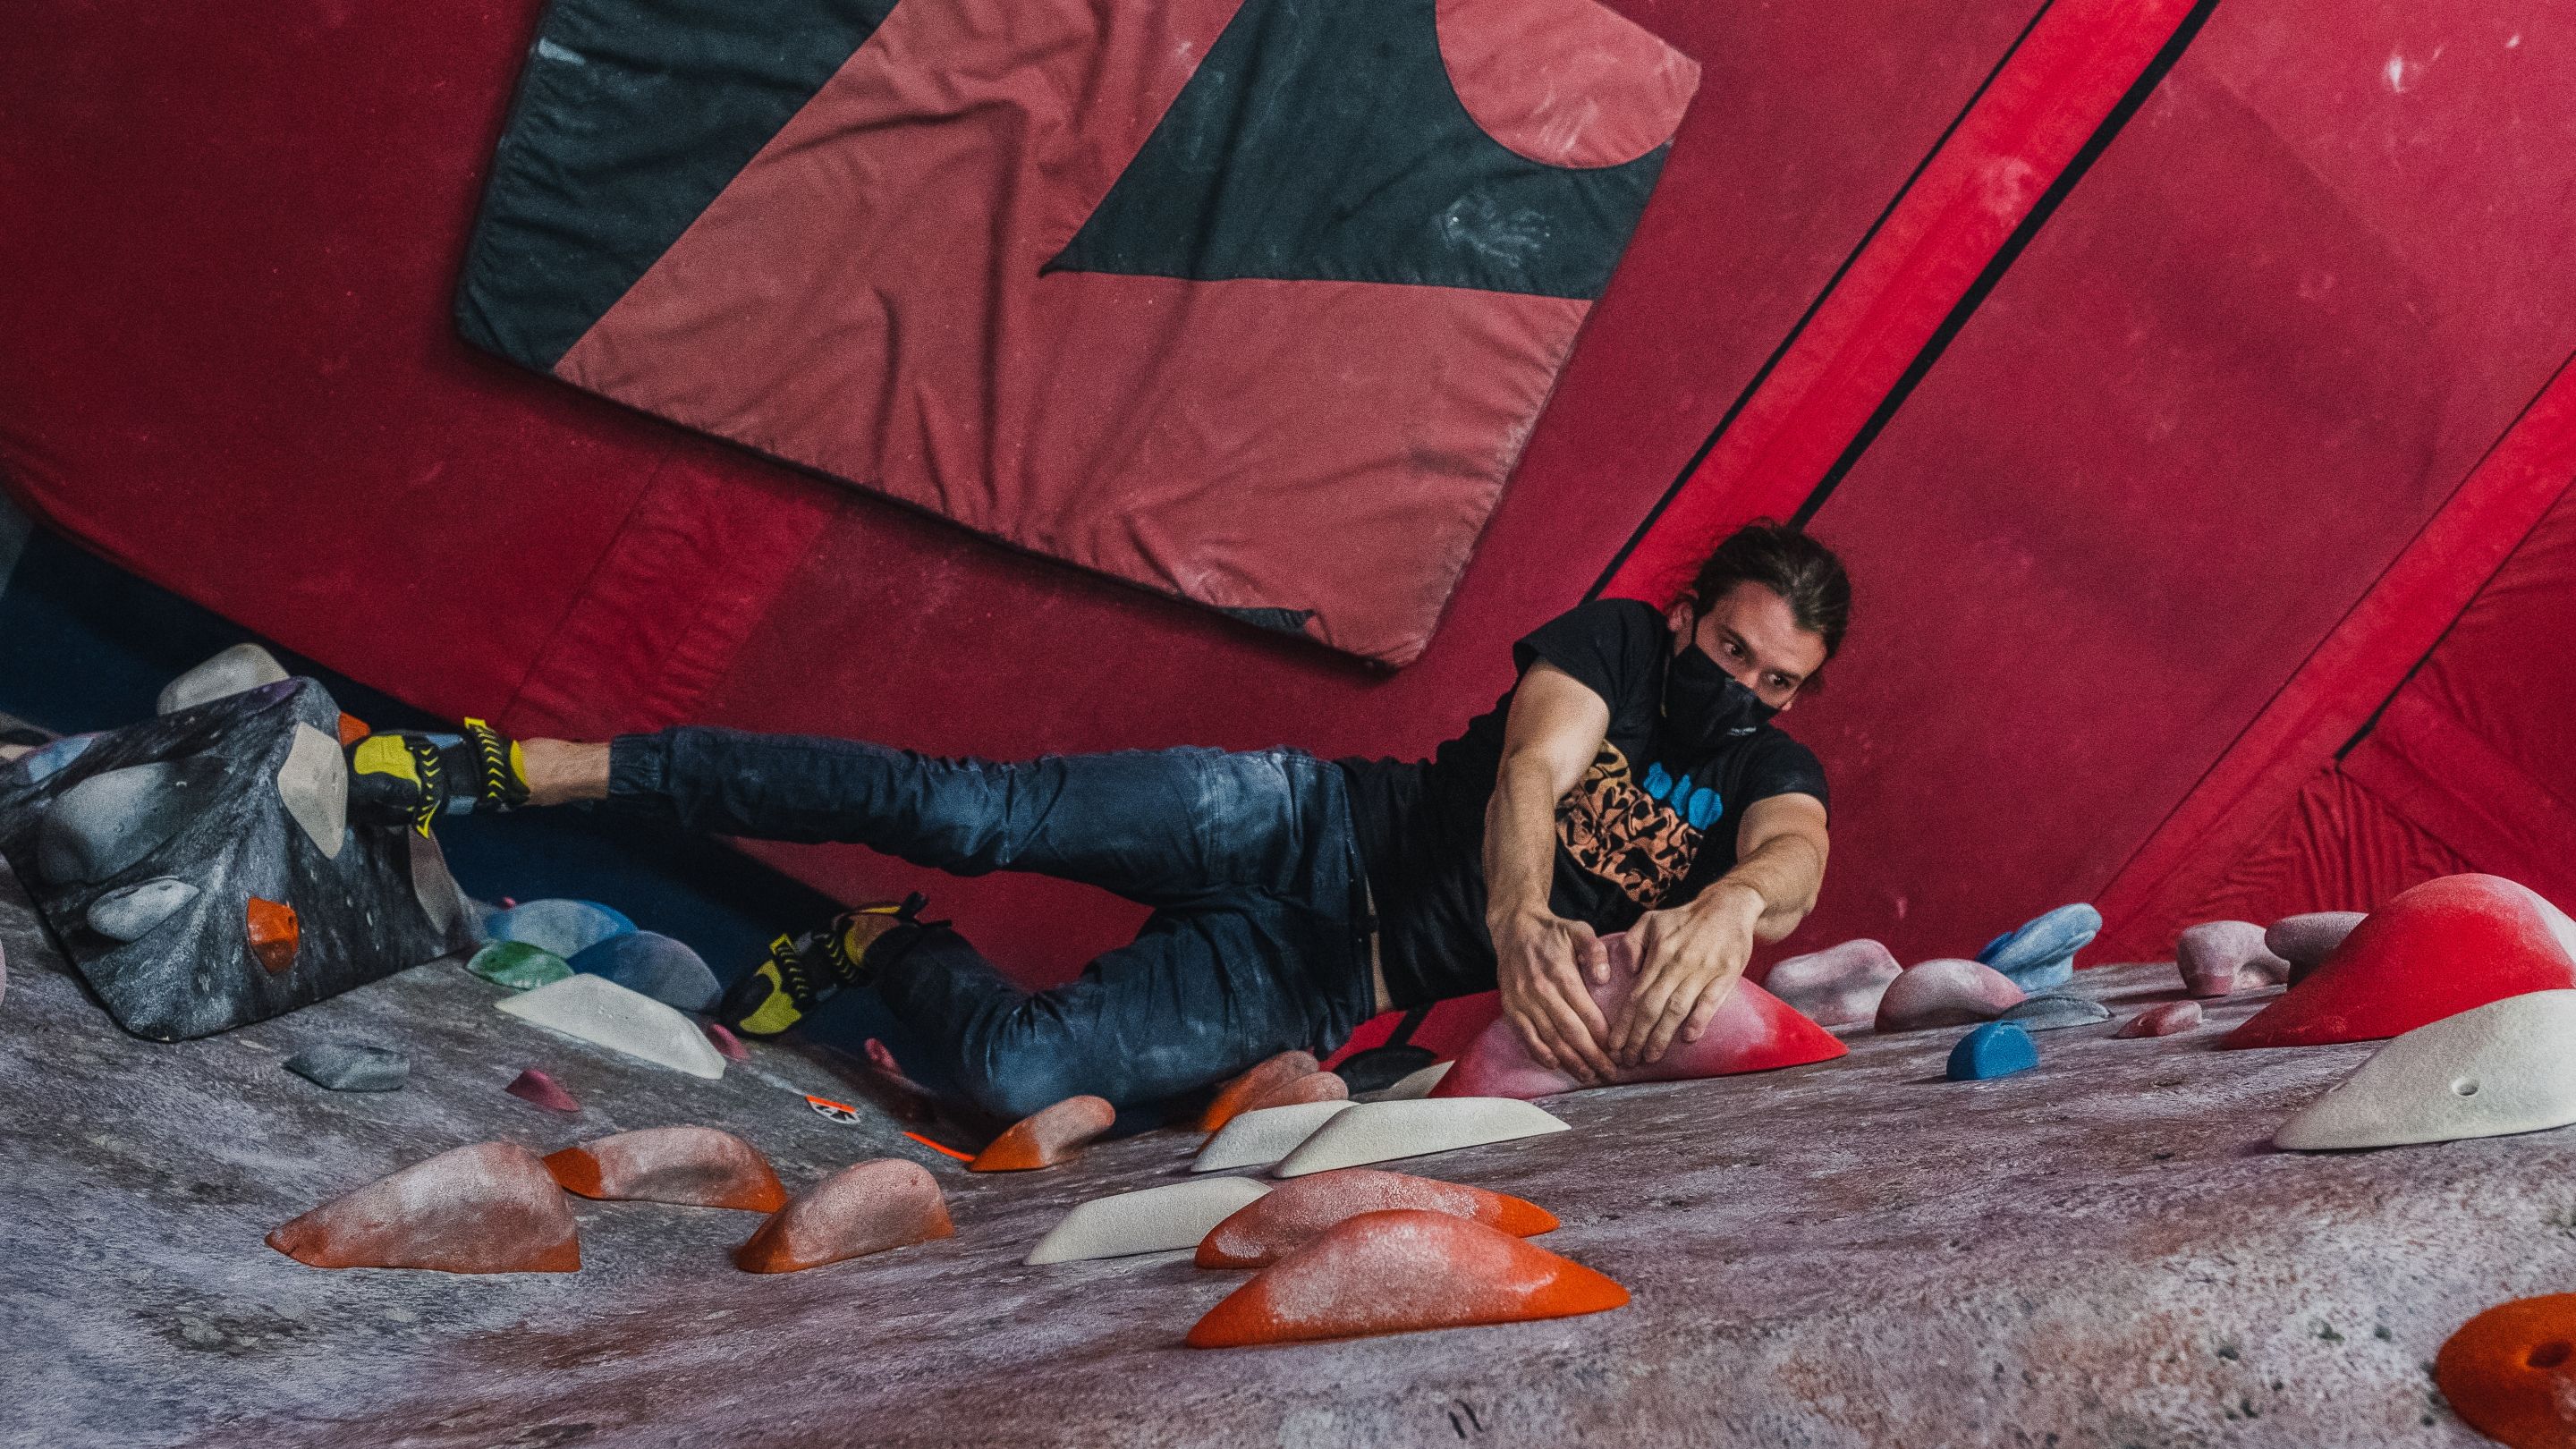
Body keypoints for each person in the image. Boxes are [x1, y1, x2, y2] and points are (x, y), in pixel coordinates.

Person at [344, 521, 1849, 1120]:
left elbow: (1795, 859)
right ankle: (528, 768)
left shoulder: (1767, 775)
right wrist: (1521, 920)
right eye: (1731, 654)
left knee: (1019, 1074)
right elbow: (1534, 770)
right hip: (1298, 825)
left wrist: (1729, 905)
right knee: (964, 807)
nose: (1744, 693)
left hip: (1328, 982)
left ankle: (879, 943)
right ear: (1685, 616)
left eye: (1776, 684)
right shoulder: (1618, 648)